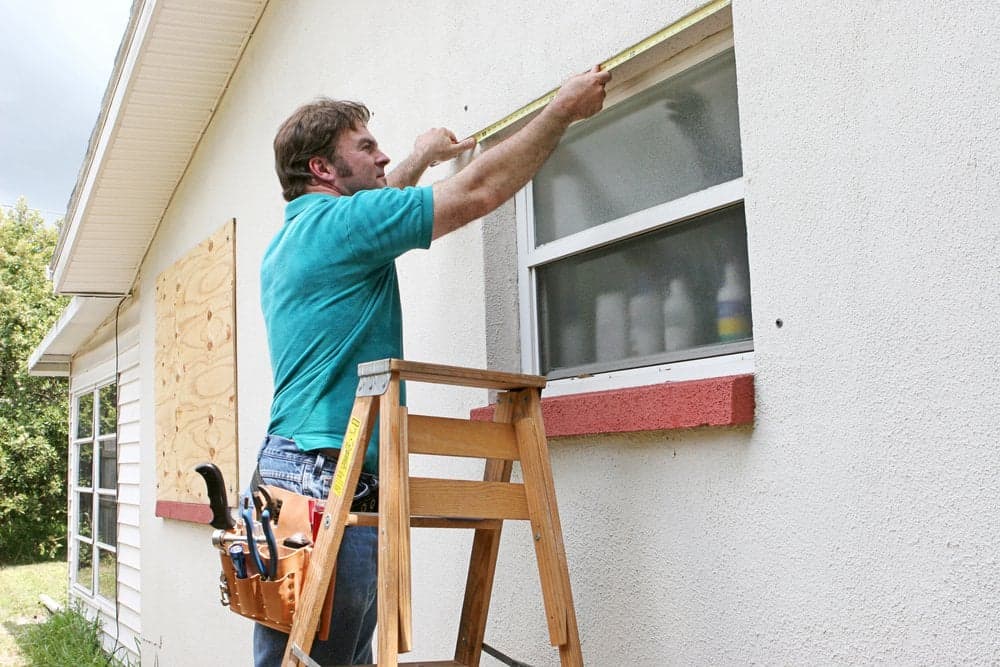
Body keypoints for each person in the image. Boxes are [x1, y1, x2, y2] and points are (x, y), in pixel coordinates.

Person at [254, 65, 611, 666]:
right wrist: (561, 111)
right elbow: (476, 192)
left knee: (296, 657)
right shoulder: (345, 225)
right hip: (328, 474)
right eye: (366, 147)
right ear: (322, 169)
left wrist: (421, 157)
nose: (382, 156)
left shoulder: (292, 238)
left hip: (287, 473)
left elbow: (379, 205)